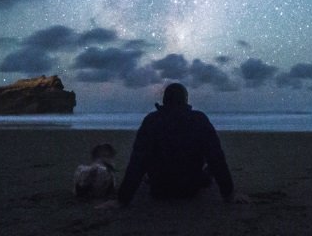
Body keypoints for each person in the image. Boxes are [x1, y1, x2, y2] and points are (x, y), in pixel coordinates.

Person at [100, 83, 241, 208]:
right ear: (185, 100)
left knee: (147, 160)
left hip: (160, 189)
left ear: (164, 100)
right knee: (210, 163)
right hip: (189, 188)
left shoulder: (151, 121)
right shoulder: (199, 119)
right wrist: (229, 194)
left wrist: (122, 200)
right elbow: (216, 157)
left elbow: (137, 162)